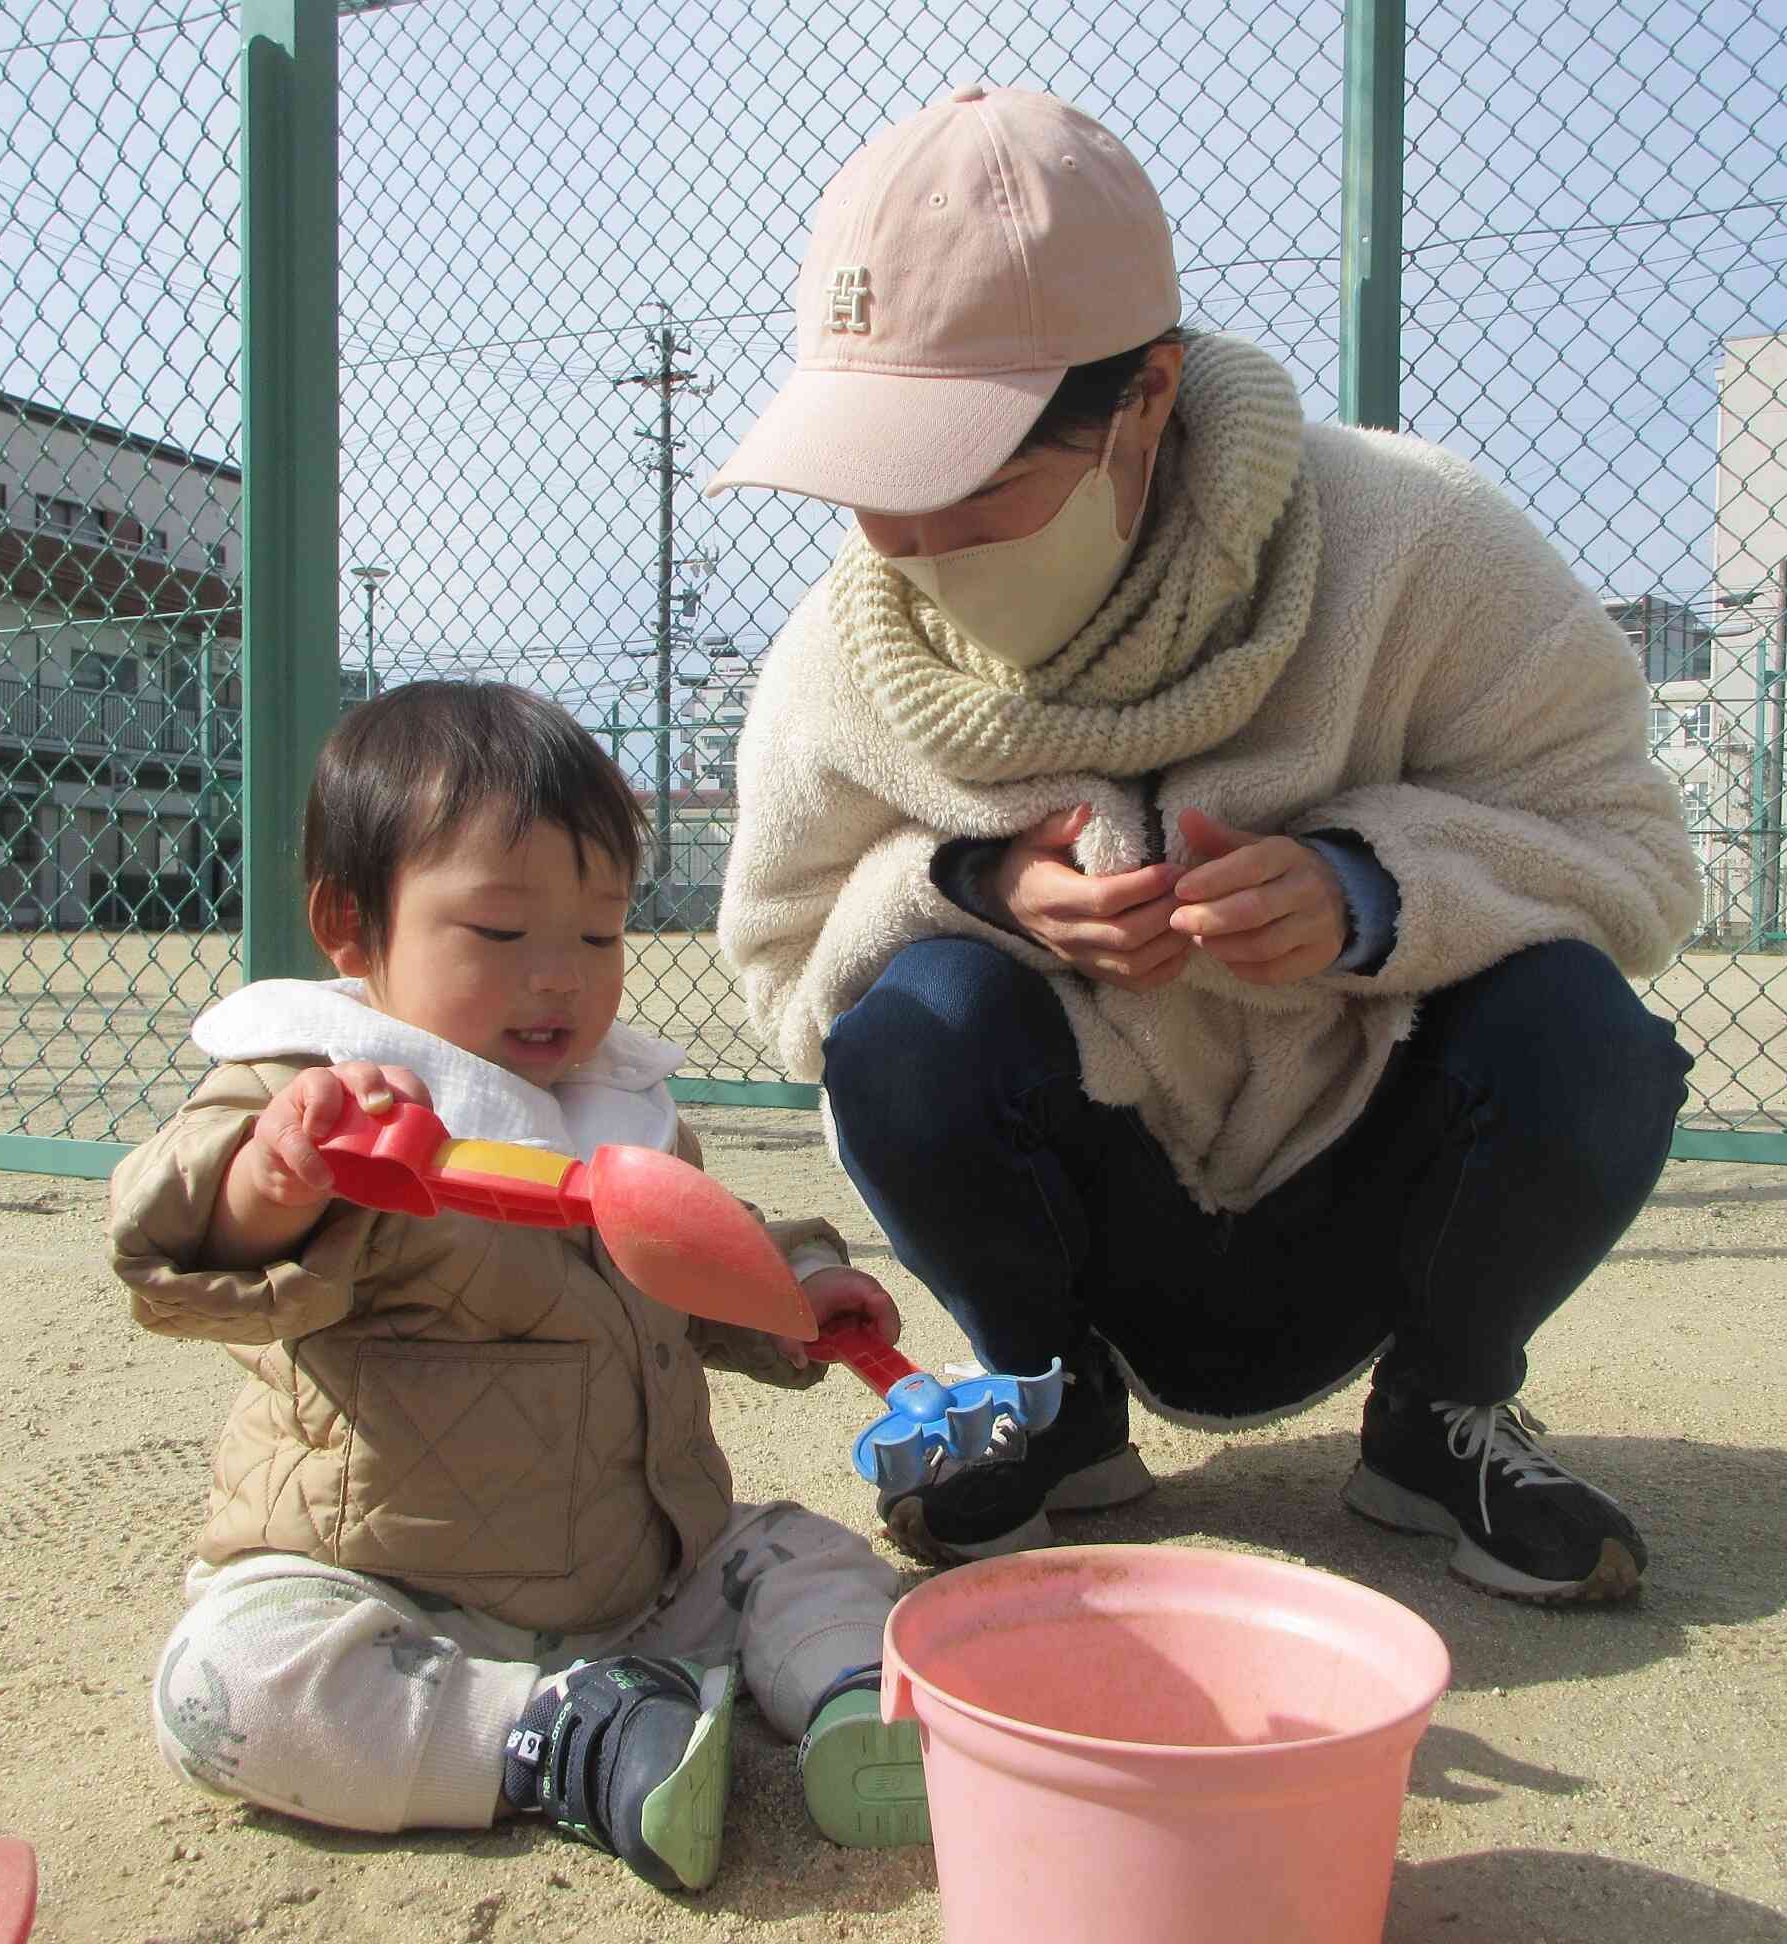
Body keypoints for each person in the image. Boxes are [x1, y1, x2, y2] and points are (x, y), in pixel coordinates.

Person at [709, 86, 1700, 1606]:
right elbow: (783, 969)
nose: (900, 547)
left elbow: (1630, 851)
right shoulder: (843, 650)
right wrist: (973, 889)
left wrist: (1373, 894)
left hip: (1370, 1180)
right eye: (866, 484)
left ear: (1147, 399)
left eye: (968, 486)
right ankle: (1051, 1408)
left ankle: (1441, 1415)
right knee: (906, 1029)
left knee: (1588, 1035)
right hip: (1089, 1217)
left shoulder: (1413, 541)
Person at [107, 681, 927, 1892]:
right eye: (499, 934)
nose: (560, 977)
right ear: (351, 925)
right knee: (226, 1686)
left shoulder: (616, 1107)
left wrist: (795, 1288)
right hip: (388, 1593)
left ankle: (853, 1710)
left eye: (599, 936)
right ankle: (550, 1741)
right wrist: (274, 1176)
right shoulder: (323, 1087)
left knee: (806, 1555)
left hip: (649, 1575)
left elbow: (699, 1250)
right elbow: (185, 1237)